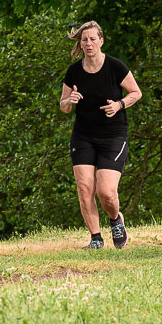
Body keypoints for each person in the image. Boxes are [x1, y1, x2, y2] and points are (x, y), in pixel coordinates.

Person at [59, 20, 142, 249]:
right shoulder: (74, 71)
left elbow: (136, 92)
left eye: (93, 39)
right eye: (84, 40)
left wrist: (120, 105)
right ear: (81, 43)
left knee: (105, 192)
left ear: (101, 41)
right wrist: (70, 101)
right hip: (83, 136)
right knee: (85, 187)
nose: (88, 43)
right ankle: (96, 239)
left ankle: (116, 219)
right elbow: (63, 106)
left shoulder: (115, 66)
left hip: (113, 136)